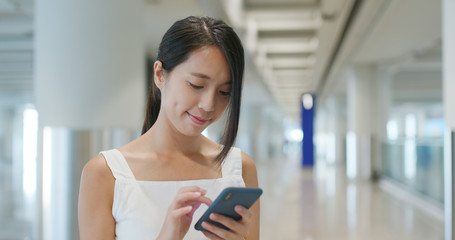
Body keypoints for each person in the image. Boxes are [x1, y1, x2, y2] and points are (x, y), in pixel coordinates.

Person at [78, 16, 260, 240]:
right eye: (196, 85)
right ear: (159, 74)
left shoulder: (239, 168)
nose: (209, 105)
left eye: (224, 92)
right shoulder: (105, 175)